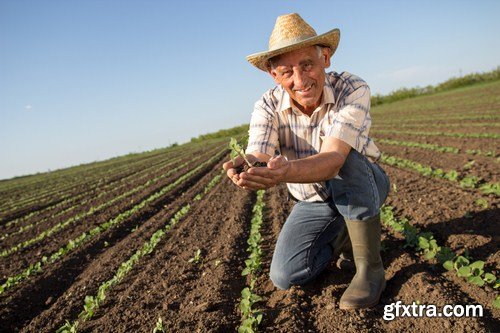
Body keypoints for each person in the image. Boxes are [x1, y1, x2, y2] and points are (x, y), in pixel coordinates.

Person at [223, 13, 390, 310]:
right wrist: (249, 166)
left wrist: (285, 171)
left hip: (363, 184)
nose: (300, 81)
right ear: (274, 76)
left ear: (325, 58)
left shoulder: (351, 88)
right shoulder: (267, 104)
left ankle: (369, 269)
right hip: (313, 201)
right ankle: (343, 235)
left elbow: (334, 159)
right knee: (286, 275)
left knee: (348, 159)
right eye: (287, 72)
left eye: (307, 65)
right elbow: (260, 153)